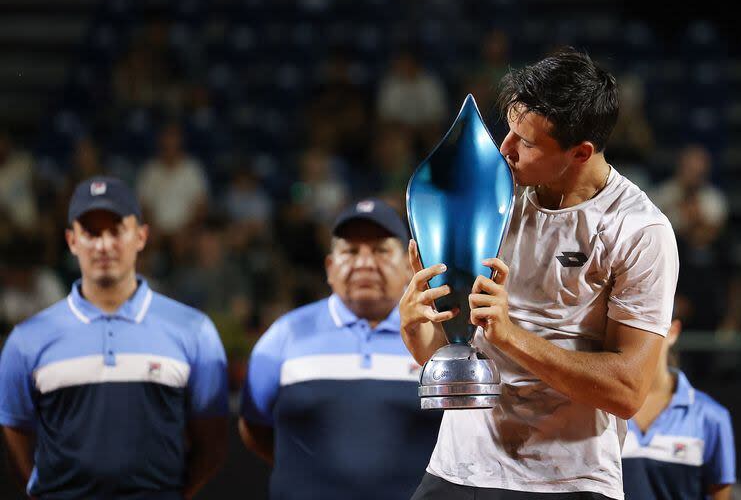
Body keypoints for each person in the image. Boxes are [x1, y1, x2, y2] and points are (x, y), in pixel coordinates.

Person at [400, 48, 679, 499]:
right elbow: (442, 355)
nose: (504, 149)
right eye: (507, 130)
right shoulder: (490, 197)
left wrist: (511, 337)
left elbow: (628, 390)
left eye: (526, 142)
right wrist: (418, 327)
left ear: (580, 152)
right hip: (459, 468)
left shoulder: (640, 230)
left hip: (568, 480)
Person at [0, 176, 228, 499]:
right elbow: (16, 442)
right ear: (71, 241)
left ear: (141, 236)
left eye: (116, 230)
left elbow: (213, 444)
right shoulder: (27, 340)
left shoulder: (194, 330)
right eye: (91, 233)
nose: (103, 245)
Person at [239, 198, 442, 499]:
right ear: (330, 267)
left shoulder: (437, 338)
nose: (364, 262)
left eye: (380, 250)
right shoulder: (285, 335)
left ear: (409, 264)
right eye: (350, 251)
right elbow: (254, 426)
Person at [622, 317, 736, 499]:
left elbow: (720, 493)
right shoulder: (598, 412)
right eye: (627, 326)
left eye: (648, 324)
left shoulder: (711, 416)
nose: (638, 336)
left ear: (673, 331)